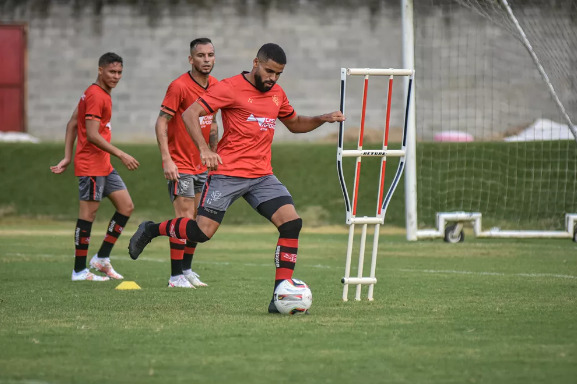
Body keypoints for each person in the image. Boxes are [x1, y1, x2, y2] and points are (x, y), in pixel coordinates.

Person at [128, 43, 345, 312]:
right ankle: (152, 229)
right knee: (200, 232)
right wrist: (205, 149)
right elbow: (189, 114)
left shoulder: (277, 94)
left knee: (291, 224)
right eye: (268, 71)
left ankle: (280, 296)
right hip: (227, 174)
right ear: (256, 62)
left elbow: (295, 123)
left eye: (278, 74)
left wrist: (322, 118)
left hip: (262, 176)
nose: (272, 79)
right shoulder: (229, 87)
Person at [51, 52, 139, 282]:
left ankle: (101, 259)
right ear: (100, 70)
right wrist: (121, 153)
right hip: (91, 165)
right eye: (111, 72)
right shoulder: (95, 96)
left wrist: (67, 157)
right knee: (88, 215)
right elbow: (90, 134)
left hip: (103, 164)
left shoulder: (96, 93)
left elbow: (72, 123)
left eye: (119, 72)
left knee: (126, 206)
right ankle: (79, 271)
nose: (116, 76)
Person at [154, 38, 219, 288]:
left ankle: (187, 269)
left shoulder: (216, 86)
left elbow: (212, 122)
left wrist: (214, 152)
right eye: (201, 55)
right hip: (180, 165)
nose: (206, 60)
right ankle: (175, 276)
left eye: (210, 55)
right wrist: (166, 158)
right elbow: (161, 122)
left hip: (202, 164)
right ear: (191, 59)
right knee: (183, 218)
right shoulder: (178, 86)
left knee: (197, 220)